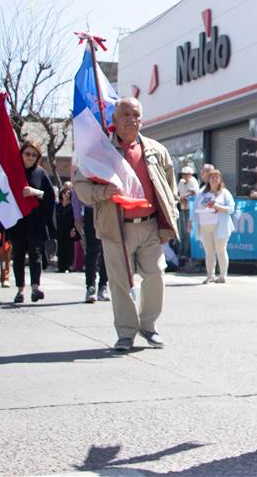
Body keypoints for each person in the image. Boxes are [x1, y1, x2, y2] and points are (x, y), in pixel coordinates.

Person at [74, 97, 180, 352]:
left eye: (136, 115)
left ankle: (148, 325)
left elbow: (169, 188)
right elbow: (81, 186)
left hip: (150, 225)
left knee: (155, 275)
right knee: (120, 282)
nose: (132, 119)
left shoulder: (156, 150)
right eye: (125, 114)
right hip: (115, 225)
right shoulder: (100, 152)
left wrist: (169, 221)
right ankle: (126, 332)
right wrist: (104, 193)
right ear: (114, 119)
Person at [4, 141, 56, 304]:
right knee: (18, 256)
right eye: (27, 153)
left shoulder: (41, 173)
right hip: (17, 222)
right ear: (21, 154)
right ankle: (20, 290)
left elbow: (50, 196)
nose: (30, 157)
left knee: (35, 255)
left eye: (34, 155)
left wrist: (36, 192)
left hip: (36, 222)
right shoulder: (14, 172)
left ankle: (35, 288)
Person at [196, 168, 235, 284]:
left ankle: (223, 275)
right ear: (208, 180)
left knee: (221, 250)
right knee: (209, 251)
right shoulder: (202, 193)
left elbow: (231, 208)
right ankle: (210, 275)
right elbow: (196, 208)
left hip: (220, 225)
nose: (214, 179)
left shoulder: (225, 193)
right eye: (212, 177)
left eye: (216, 177)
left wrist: (218, 207)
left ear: (220, 179)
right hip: (205, 225)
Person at [55, 185, 77, 273]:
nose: (66, 194)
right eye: (65, 193)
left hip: (69, 230)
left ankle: (68, 266)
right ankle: (61, 266)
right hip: (60, 230)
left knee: (68, 248)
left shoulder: (72, 206)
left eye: (68, 193)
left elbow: (75, 218)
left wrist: (74, 229)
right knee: (60, 248)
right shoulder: (58, 206)